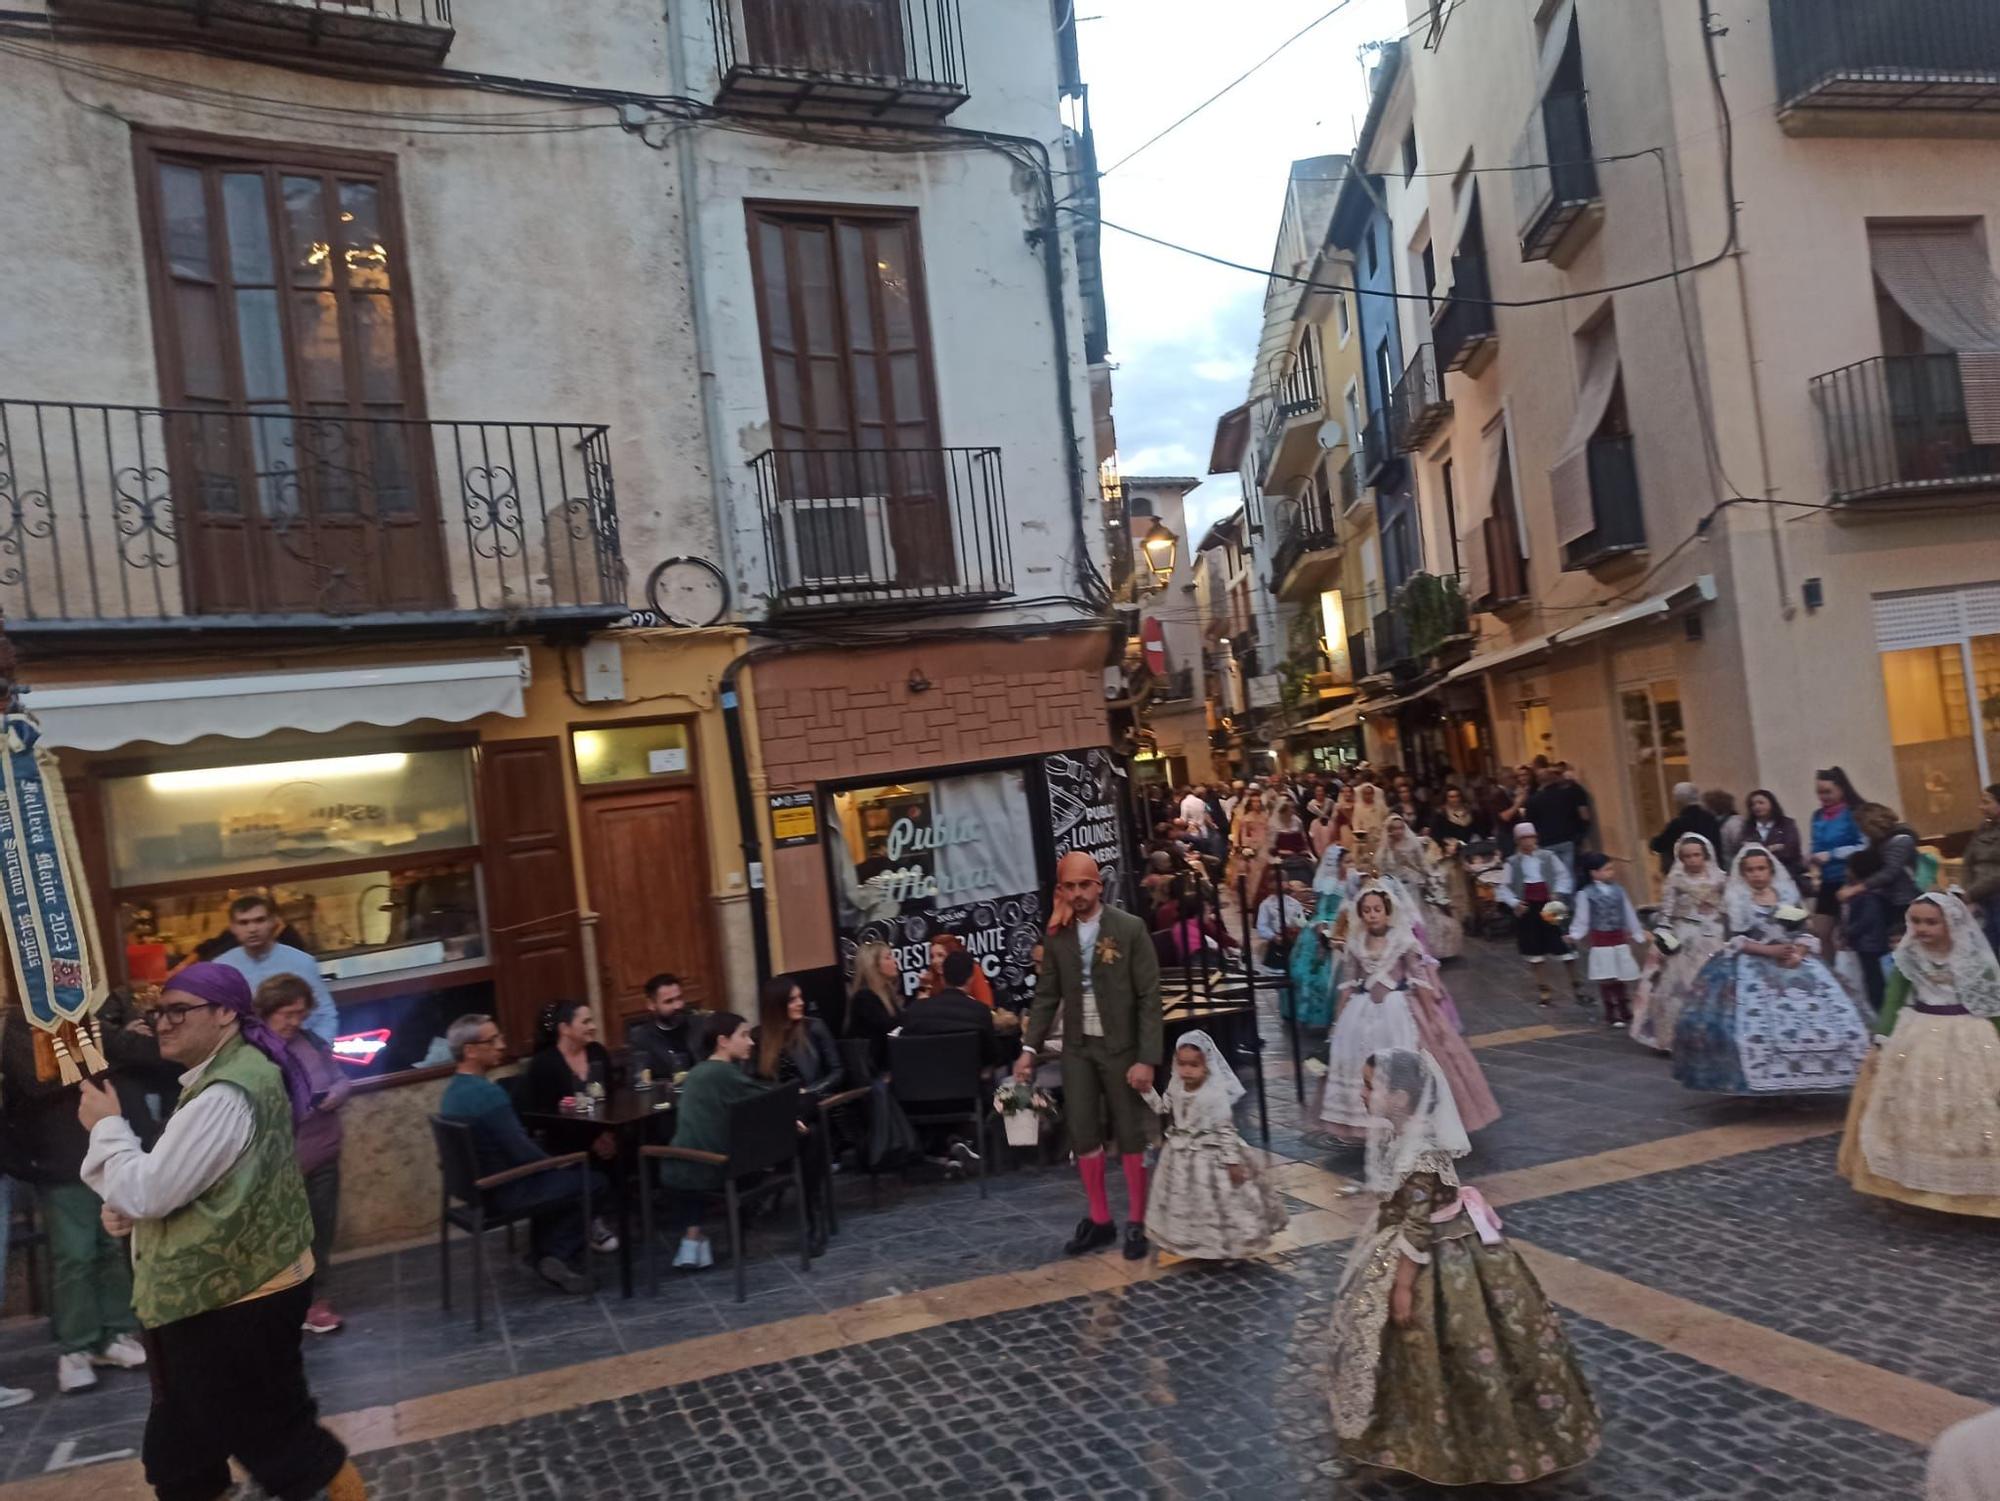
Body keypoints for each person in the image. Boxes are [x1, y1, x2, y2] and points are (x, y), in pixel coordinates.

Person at [79, 962, 363, 1501]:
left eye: (179, 1011)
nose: (163, 1023)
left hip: (233, 1300)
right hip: (216, 1294)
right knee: (182, 1453)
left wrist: (107, 1129)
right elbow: (189, 1187)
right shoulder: (226, 1077)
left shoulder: (226, 1092)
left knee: (281, 1444)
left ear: (227, 1013)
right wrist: (128, 1207)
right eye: (159, 1012)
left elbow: (151, 1190)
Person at [1326, 1048, 1601, 1487]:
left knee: (1452, 1340)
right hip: (1433, 1242)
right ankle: (1408, 1428)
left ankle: (1470, 1441)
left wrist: (1401, 1287)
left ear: (1398, 1098)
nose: (1360, 1094)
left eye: (1368, 1085)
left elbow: (1417, 1228)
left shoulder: (1421, 1153)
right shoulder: (1407, 1136)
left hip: (1439, 1257)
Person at [1015, 851, 1162, 1261]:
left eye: (1085, 884)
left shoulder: (1130, 928)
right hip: (1077, 1047)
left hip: (1122, 1047)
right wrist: (1029, 1049)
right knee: (1083, 1131)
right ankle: (1100, 1220)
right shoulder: (1058, 935)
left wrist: (1147, 1057)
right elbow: (1046, 996)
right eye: (1070, 886)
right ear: (1061, 890)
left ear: (1099, 885)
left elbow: (1150, 996)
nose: (1078, 893)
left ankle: (1136, 1220)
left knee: (1130, 1130)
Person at [0, 1002, 149, 1392]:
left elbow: (125, 1048)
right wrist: (94, 1050)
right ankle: (76, 1347)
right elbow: (40, 1077)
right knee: (74, 1254)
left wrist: (97, 1044)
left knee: (108, 1245)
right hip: (59, 1153)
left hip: (102, 1143)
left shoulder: (85, 1008)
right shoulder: (19, 1021)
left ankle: (114, 1333)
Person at [1837, 892, 2000, 1217]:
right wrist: (1881, 1039)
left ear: (1950, 923)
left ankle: (1973, 1186)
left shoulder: (1974, 961)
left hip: (1968, 1035)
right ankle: (1910, 1182)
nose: (1922, 928)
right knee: (1912, 1106)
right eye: (1915, 921)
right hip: (1918, 1035)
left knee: (1969, 1107)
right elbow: (1894, 999)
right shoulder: (1908, 956)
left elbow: (1993, 1007)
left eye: (1930, 922)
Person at [1671, 845, 1870, 1095]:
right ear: (1743, 874)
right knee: (1748, 1029)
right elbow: (1735, 939)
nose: (1757, 875)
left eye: (1761, 869)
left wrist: (1799, 952)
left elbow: (1804, 931)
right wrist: (1769, 951)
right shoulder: (1737, 900)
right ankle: (1761, 1083)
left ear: (1771, 870)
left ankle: (1813, 1077)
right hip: (1752, 960)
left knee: (1833, 1019)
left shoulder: (1786, 894)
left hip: (1794, 959)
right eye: (1750, 870)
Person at [1318, 885, 1500, 1141]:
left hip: (1400, 1009)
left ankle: (1417, 1121)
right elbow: (1348, 984)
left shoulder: (1404, 941)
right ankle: (1373, 1126)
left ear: (1387, 911)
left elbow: (1420, 980)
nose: (1372, 915)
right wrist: (1337, 1022)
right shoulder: (1355, 943)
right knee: (1360, 1063)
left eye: (1377, 910)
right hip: (1363, 1011)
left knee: (1412, 1063)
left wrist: (1433, 1017)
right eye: (1367, 910)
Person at [435, 1014, 599, 1294]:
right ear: (470, 1051)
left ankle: (543, 1253)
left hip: (479, 1191)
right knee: (593, 1181)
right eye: (493, 1040)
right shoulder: (488, 1095)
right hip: (505, 1191)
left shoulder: (451, 1094)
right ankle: (553, 1255)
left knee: (561, 1177)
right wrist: (560, 1163)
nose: (501, 1045)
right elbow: (521, 1151)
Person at [253, 974, 352, 1338]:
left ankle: (317, 1301)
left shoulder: (310, 1041)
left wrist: (336, 1094)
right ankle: (285, 1303)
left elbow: (340, 1078)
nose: (295, 1022)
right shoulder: (255, 1053)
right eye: (287, 1014)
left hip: (323, 1153)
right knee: (287, 1236)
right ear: (267, 1011)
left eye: (300, 1014)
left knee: (320, 1233)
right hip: (281, 1165)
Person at [657, 1011, 793, 1270]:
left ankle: (693, 1241)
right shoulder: (725, 1074)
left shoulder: (697, 1073)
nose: (751, 1042)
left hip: (676, 1168)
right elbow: (770, 1100)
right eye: (743, 1035)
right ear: (723, 1041)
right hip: (715, 1169)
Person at [1140, 1031, 1285, 1261]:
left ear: (1207, 1066)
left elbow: (1226, 1130)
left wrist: (1231, 1161)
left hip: (1211, 1155)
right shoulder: (1176, 1087)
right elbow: (1163, 1108)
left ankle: (1228, 1248)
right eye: (1182, 1064)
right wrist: (1146, 1090)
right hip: (1181, 1155)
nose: (1187, 1070)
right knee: (1188, 1202)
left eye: (1194, 1065)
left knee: (1221, 1204)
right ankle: (1197, 1244)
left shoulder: (1213, 1095)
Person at [521, 1001, 620, 1253]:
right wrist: (591, 1140)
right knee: (582, 1160)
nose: (593, 1027)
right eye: (585, 1022)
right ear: (565, 1028)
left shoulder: (597, 1052)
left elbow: (613, 1098)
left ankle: (612, 1216)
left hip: (604, 1131)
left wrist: (606, 1133)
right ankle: (590, 1224)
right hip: (563, 1140)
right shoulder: (544, 1063)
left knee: (636, 1146)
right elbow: (539, 1117)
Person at [1632, 834, 1727, 1053]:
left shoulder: (1721, 878)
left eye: (1697, 855)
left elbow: (1729, 906)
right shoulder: (1675, 880)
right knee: (1680, 986)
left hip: (1713, 935)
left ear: (1705, 855)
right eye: (1687, 856)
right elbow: (1666, 913)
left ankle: (1713, 1036)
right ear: (1680, 858)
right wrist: (1664, 936)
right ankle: (1676, 1037)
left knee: (1713, 987)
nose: (1693, 860)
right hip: (1685, 935)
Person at [214, 894, 339, 1043]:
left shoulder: (301, 961)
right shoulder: (221, 967)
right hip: (247, 1054)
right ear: (233, 928)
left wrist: (318, 1052)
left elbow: (325, 1013)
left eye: (260, 920)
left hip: (297, 1048)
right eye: (244, 922)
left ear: (273, 922)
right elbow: (215, 1020)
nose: (252, 929)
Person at [1497, 822, 1577, 1005]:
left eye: (1530, 837)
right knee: (1534, 950)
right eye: (1524, 838)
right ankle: (1543, 989)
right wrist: (1515, 903)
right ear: (1517, 841)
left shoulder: (1548, 857)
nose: (1528, 841)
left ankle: (1576, 984)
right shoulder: (1512, 863)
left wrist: (1557, 892)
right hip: (1529, 908)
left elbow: (1562, 876)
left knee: (1565, 946)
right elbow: (1504, 887)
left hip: (1550, 904)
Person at [1567, 853, 1647, 1028]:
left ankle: (1624, 1008)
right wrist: (1574, 934)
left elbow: (1628, 913)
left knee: (1620, 974)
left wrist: (1637, 932)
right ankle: (1611, 1010)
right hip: (1601, 939)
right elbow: (1582, 919)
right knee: (1606, 975)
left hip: (1618, 937)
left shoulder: (1619, 890)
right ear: (1594, 873)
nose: (1611, 872)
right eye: (1607, 869)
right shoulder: (1586, 894)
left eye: (1611, 869)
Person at [901, 950, 1010, 1069]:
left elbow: (904, 1048)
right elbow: (992, 1056)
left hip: (923, 1082)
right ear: (970, 979)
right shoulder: (980, 1011)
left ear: (943, 977)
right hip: (970, 1083)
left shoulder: (917, 1009)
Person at [1286, 845, 1347, 1033]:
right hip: (1327, 927)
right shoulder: (1329, 883)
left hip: (1346, 926)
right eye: (1347, 861)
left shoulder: (1350, 880)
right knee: (1319, 974)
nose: (1350, 865)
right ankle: (1315, 1017)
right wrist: (1325, 930)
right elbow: (1321, 912)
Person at [1809, 766, 1868, 939]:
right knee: (1820, 932)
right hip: (1827, 880)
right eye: (1819, 792)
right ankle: (1829, 966)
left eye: (1828, 792)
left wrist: (1833, 854)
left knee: (1850, 933)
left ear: (1841, 789)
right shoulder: (1817, 815)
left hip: (1849, 878)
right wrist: (1811, 858)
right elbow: (1816, 843)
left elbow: (1863, 845)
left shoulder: (1854, 813)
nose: (1823, 797)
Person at [841, 940, 902, 1074]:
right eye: (888, 957)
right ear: (874, 966)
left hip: (890, 1065)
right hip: (874, 1072)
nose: (894, 961)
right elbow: (888, 1025)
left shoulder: (887, 992)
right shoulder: (864, 998)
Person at [1524, 761, 1593, 878]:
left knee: (1552, 875)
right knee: (1568, 874)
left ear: (1538, 781)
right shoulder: (1567, 794)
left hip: (1546, 842)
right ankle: (1569, 896)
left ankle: (1557, 896)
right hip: (1566, 839)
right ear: (1553, 778)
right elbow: (1581, 815)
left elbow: (1530, 824)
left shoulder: (1532, 800)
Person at [625, 973, 697, 1082]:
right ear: (651, 1004)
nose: (677, 1006)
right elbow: (637, 1081)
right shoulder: (642, 1039)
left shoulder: (697, 1026)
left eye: (679, 998)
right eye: (669, 1001)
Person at [1649, 782, 1721, 876]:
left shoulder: (1678, 823)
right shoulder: (1711, 819)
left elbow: (1658, 845)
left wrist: (1653, 841)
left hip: (1687, 874)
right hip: (1712, 870)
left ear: (1679, 801)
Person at [1960, 784, 2000, 948]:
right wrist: (1967, 891)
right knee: (1987, 947)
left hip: (1994, 895)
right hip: (1980, 899)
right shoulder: (1984, 828)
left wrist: (1973, 893)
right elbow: (1968, 860)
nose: (1981, 807)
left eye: (1986, 802)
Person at [916, 933, 996, 1009]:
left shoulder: (972, 970)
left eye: (940, 955)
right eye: (932, 956)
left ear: (954, 955)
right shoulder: (931, 976)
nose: (935, 961)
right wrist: (923, 985)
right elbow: (921, 1010)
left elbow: (986, 1006)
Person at [1739, 789, 1805, 879]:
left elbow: (1790, 851)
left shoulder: (1787, 824)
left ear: (1772, 804)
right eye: (1753, 804)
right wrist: (1772, 848)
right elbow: (1743, 851)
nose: (1757, 807)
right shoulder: (1748, 828)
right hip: (1757, 876)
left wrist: (1763, 851)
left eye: (1761, 803)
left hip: (1787, 873)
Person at [1254, 878, 1310, 972]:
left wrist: (1297, 930)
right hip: (1276, 941)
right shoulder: (1266, 905)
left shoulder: (1294, 903)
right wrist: (1274, 936)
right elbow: (1262, 927)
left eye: (1283, 880)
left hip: (1293, 940)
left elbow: (1301, 920)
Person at [1226, 791, 1269, 906]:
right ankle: (1254, 902)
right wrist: (1246, 847)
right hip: (1253, 847)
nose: (1257, 804)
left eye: (1258, 801)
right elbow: (1244, 835)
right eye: (1254, 802)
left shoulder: (1266, 816)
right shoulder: (1246, 818)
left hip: (1266, 845)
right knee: (1254, 876)